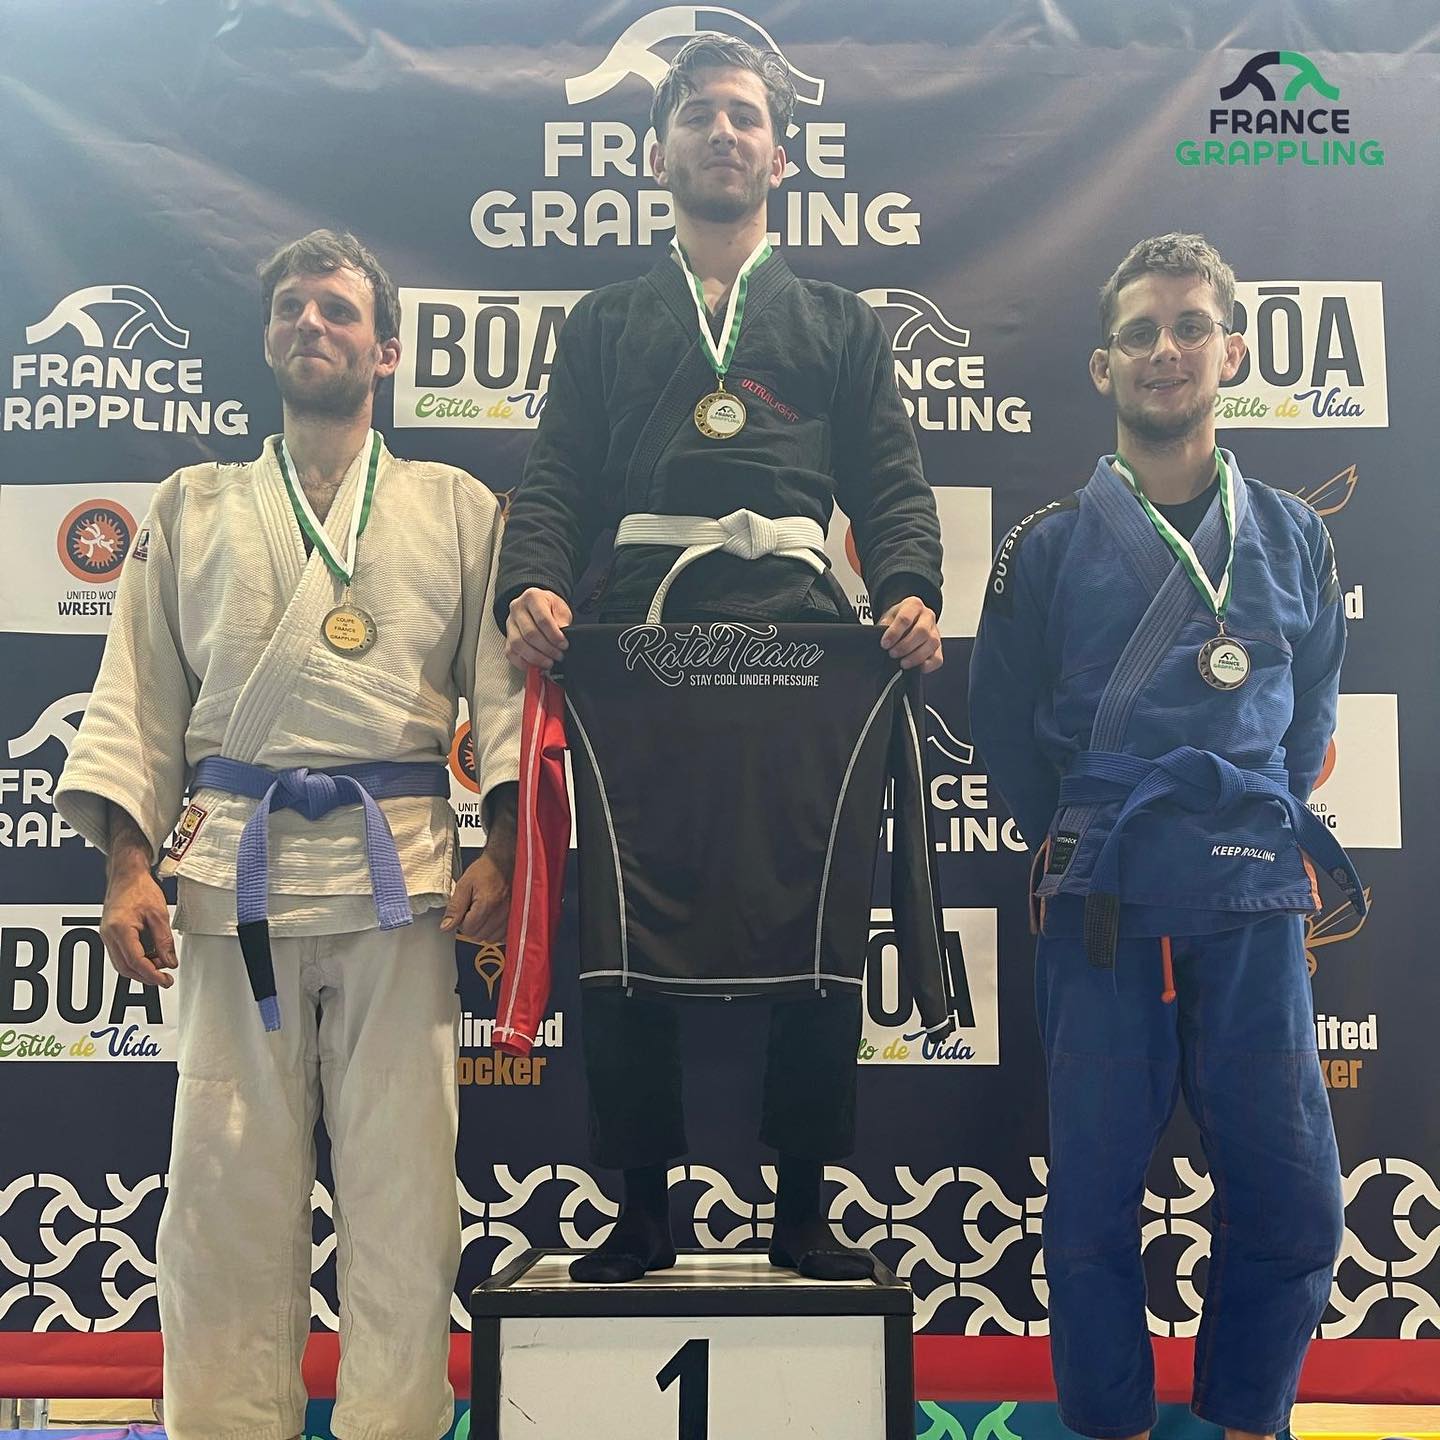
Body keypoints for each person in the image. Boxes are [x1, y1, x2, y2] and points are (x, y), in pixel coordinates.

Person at [56, 229, 522, 1440]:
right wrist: (125, 867)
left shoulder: (456, 508)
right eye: (292, 309)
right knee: (221, 1194)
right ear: (267, 338)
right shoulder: (194, 504)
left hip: (399, 880)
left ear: (386, 351)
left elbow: (503, 693)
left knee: (406, 1192)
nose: (312, 325)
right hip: (228, 881)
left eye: (338, 310)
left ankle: (392, 1426)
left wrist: (504, 849)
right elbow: (139, 695)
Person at [495, 34, 946, 1285]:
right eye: (699, 115)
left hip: (803, 640)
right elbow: (555, 484)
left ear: (781, 155)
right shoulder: (604, 325)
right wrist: (530, 584)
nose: (723, 133)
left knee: (819, 920)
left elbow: (892, 488)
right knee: (623, 931)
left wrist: (908, 589)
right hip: (642, 647)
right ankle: (643, 1209)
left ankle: (801, 1208)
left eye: (745, 116)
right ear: (658, 154)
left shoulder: (839, 324)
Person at [969, 233, 1364, 1440]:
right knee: (1092, 1203)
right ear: (1103, 365)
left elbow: (1309, 719)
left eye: (1191, 326)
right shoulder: (1045, 543)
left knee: (1296, 1197)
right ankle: (1115, 1426)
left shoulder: (1294, 534)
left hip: (1251, 896)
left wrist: (1256, 820)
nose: (1165, 350)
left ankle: (1249, 1419)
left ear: (1231, 351)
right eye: (1139, 332)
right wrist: (1080, 836)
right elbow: (1002, 728)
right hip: (1106, 899)